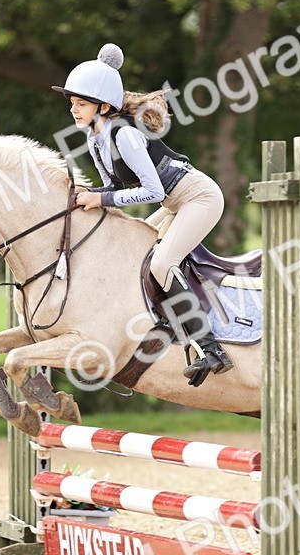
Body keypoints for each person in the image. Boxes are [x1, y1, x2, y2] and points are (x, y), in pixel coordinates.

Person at [53, 43, 234, 386]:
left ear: (104, 106)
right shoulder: (96, 139)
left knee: (162, 263)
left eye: (81, 104)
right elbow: (110, 188)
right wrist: (88, 197)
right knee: (133, 253)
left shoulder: (126, 135)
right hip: (174, 203)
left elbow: (151, 191)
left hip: (199, 198)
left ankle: (212, 350)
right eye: (73, 104)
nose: (73, 110)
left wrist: (100, 200)